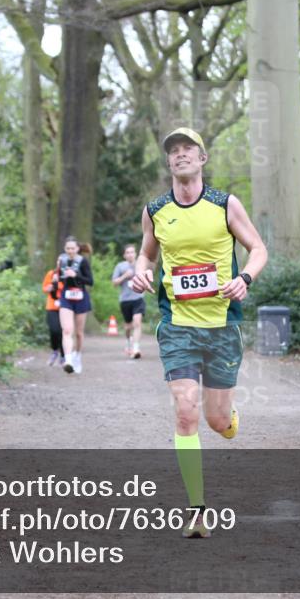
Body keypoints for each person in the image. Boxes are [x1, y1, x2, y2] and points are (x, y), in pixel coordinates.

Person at [131, 127, 268, 538]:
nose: (181, 154)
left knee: (216, 419)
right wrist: (141, 272)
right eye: (174, 150)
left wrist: (244, 278)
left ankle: (227, 419)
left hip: (222, 325)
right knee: (185, 411)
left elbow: (258, 249)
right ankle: (196, 510)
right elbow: (146, 254)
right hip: (178, 325)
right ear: (168, 161)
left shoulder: (225, 204)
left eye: (188, 148)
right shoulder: (156, 211)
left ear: (202, 158)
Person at [56, 236, 94, 374]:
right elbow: (59, 279)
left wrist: (75, 275)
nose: (70, 251)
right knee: (67, 330)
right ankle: (68, 360)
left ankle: (77, 356)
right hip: (66, 297)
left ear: (77, 248)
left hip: (81, 298)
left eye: (72, 248)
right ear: (65, 249)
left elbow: (90, 281)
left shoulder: (83, 261)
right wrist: (57, 275)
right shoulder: (62, 260)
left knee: (78, 333)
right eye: (68, 248)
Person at [112, 243, 146, 358]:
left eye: (132, 252)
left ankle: (136, 348)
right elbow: (114, 283)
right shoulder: (120, 266)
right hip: (125, 300)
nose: (130, 254)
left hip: (138, 298)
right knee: (128, 327)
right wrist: (125, 276)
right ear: (124, 255)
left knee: (137, 322)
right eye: (128, 252)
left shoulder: (141, 265)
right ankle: (128, 342)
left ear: (136, 254)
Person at [41, 267, 64, 365]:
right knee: (54, 330)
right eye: (59, 261)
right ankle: (54, 351)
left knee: (63, 331)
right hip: (51, 306)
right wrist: (49, 287)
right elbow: (44, 288)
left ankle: (63, 355)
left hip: (65, 307)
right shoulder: (51, 273)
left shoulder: (68, 274)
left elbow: (69, 288)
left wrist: (57, 284)